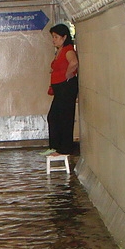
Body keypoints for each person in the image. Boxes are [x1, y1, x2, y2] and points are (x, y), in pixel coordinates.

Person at [44, 23, 79, 156]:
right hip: (59, 88)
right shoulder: (60, 50)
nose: (53, 40)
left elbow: (74, 62)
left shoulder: (68, 50)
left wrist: (67, 75)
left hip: (66, 87)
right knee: (54, 117)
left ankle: (64, 148)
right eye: (53, 37)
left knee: (64, 117)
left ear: (64, 37)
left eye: (56, 37)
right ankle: (55, 147)